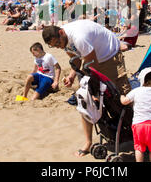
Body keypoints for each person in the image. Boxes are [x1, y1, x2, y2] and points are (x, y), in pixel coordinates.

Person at [42, 19, 131, 157]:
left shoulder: (79, 37)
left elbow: (92, 64)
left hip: (109, 55)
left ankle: (138, 131)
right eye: (54, 46)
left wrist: (93, 89)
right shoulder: (64, 40)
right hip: (93, 59)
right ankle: (88, 142)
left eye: (58, 43)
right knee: (85, 101)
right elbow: (76, 59)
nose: (59, 47)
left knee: (122, 96)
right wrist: (72, 75)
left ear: (61, 32)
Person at [120, 67, 151, 162]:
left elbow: (125, 101)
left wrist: (121, 96)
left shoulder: (136, 91)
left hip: (138, 125)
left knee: (139, 148)